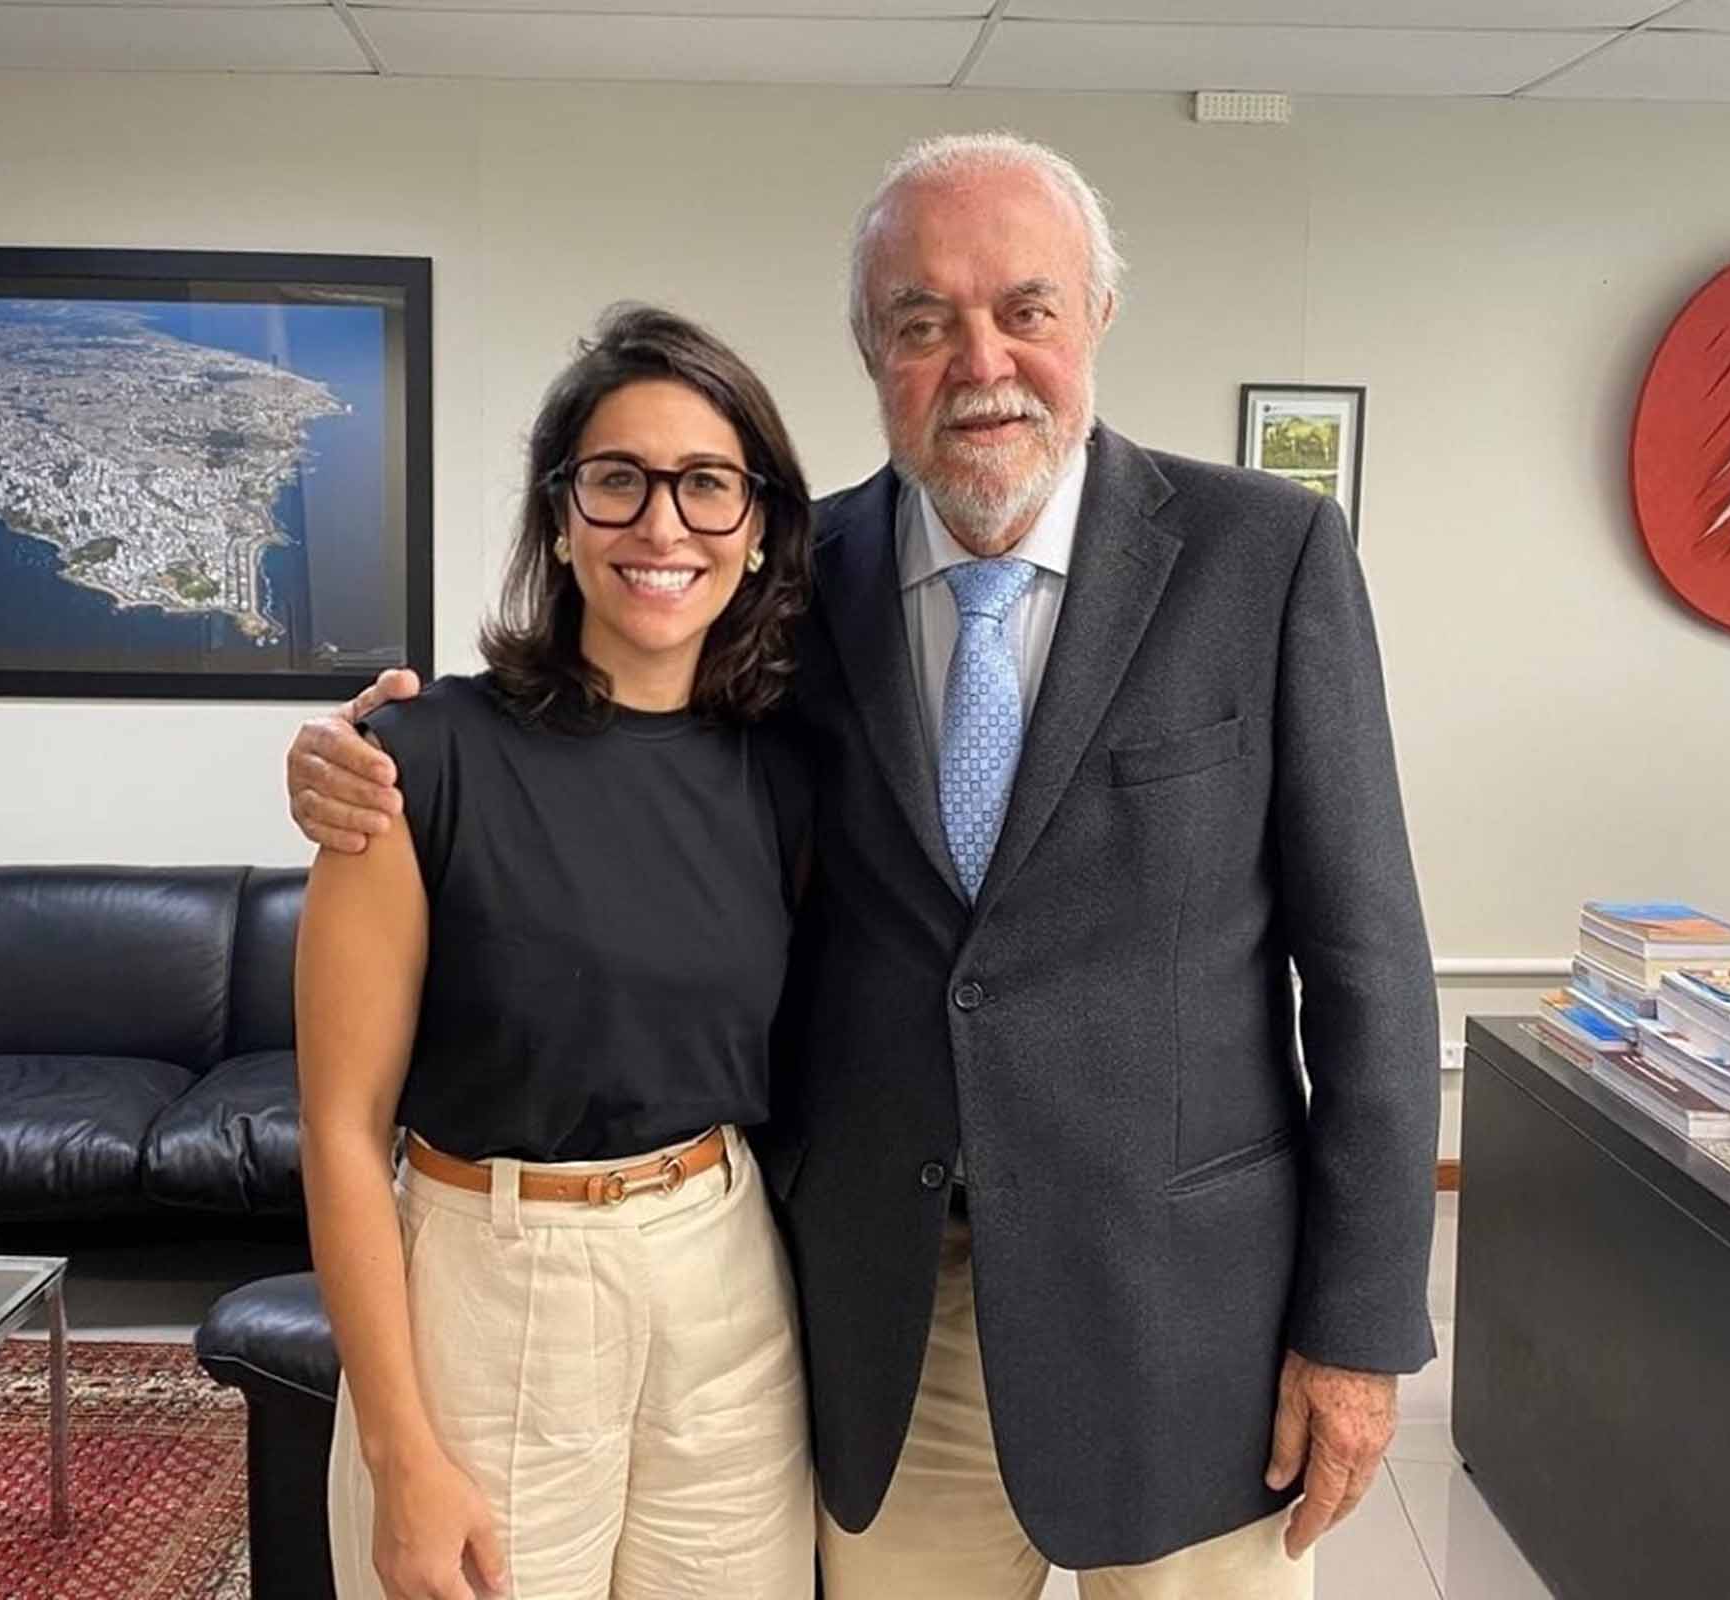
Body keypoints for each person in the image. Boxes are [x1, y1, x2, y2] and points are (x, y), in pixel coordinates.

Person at [290, 132, 1438, 1600]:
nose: (981, 361)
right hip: (890, 1325)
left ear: (1091, 319)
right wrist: (350, 754)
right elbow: (594, 757)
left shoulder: (1261, 556)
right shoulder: (790, 583)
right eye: (921, 321)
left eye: (1025, 308)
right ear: (867, 348)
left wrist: (1356, 1330)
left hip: (1191, 1326)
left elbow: (1369, 966)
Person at [294, 303, 819, 1600]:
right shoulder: (417, 762)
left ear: (756, 529)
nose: (662, 525)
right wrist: (399, 1447)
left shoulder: (794, 770)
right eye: (617, 480)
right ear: (560, 517)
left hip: (725, 1274)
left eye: (706, 485)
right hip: (495, 1281)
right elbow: (340, 1132)